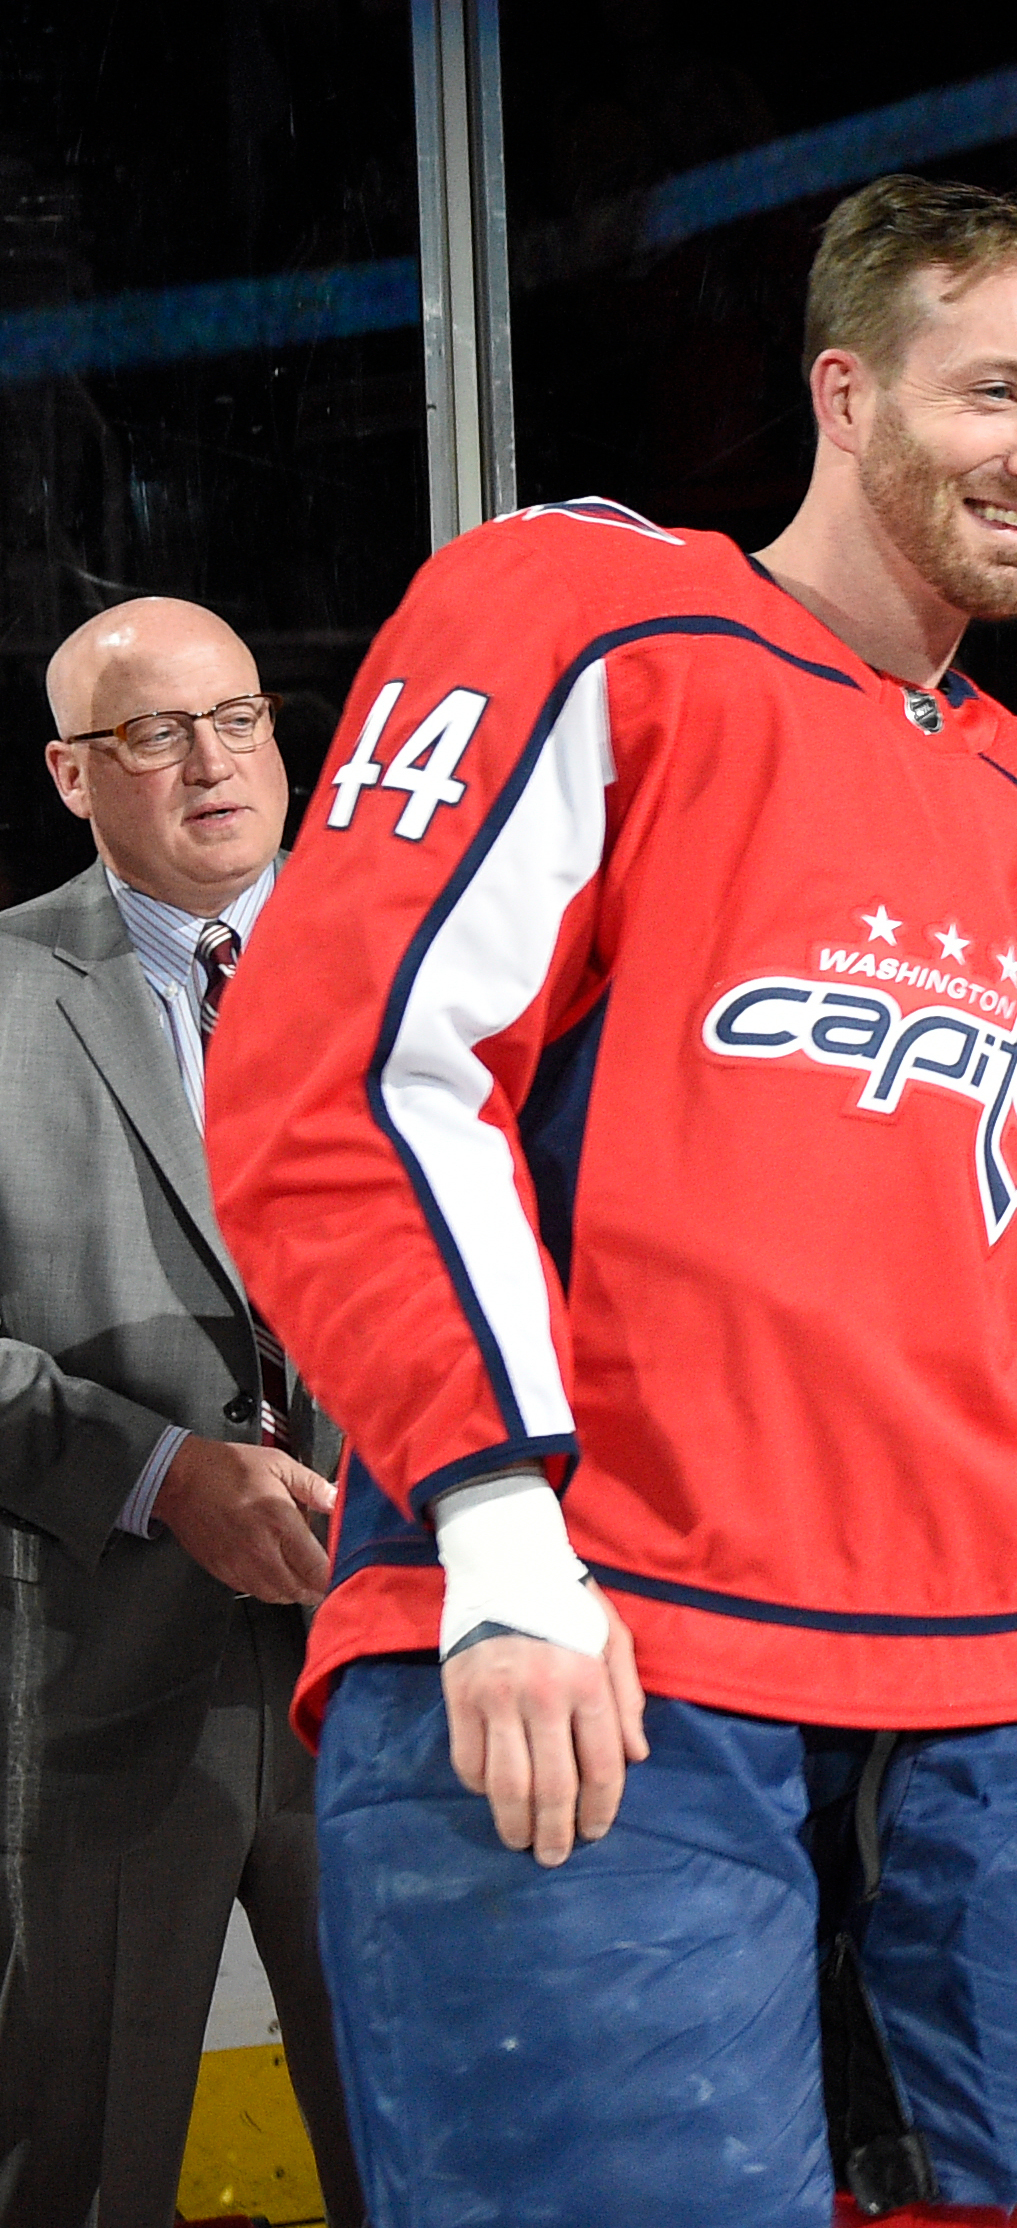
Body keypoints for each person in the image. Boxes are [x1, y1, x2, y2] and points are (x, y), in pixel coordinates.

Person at [202, 174, 1017, 2227]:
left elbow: (980, 1278)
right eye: (994, 392)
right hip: (618, 1638)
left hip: (988, 1687)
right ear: (846, 391)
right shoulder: (590, 615)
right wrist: (493, 1523)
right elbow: (352, 1079)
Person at [0, 599, 360, 2227]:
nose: (213, 762)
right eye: (156, 734)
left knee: (434, 2148)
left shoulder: (418, 969)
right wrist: (153, 1471)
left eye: (241, 716)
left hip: (389, 1670)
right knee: (78, 2169)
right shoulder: (4, 990)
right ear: (74, 775)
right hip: (98, 1692)